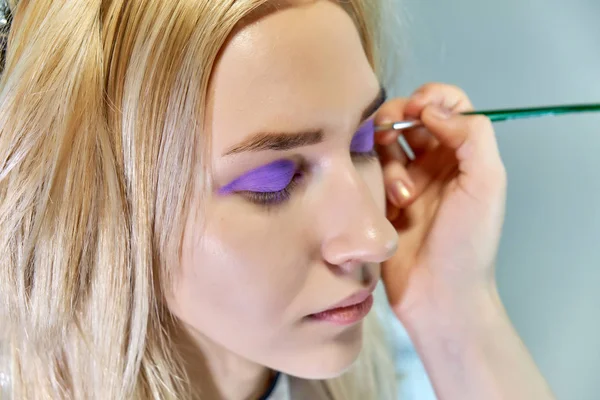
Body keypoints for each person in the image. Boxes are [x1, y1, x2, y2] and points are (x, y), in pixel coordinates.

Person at [0, 0, 556, 399]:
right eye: (273, 179)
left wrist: (455, 315)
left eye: (364, 143)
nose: (375, 236)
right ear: (96, 209)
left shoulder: (409, 366)